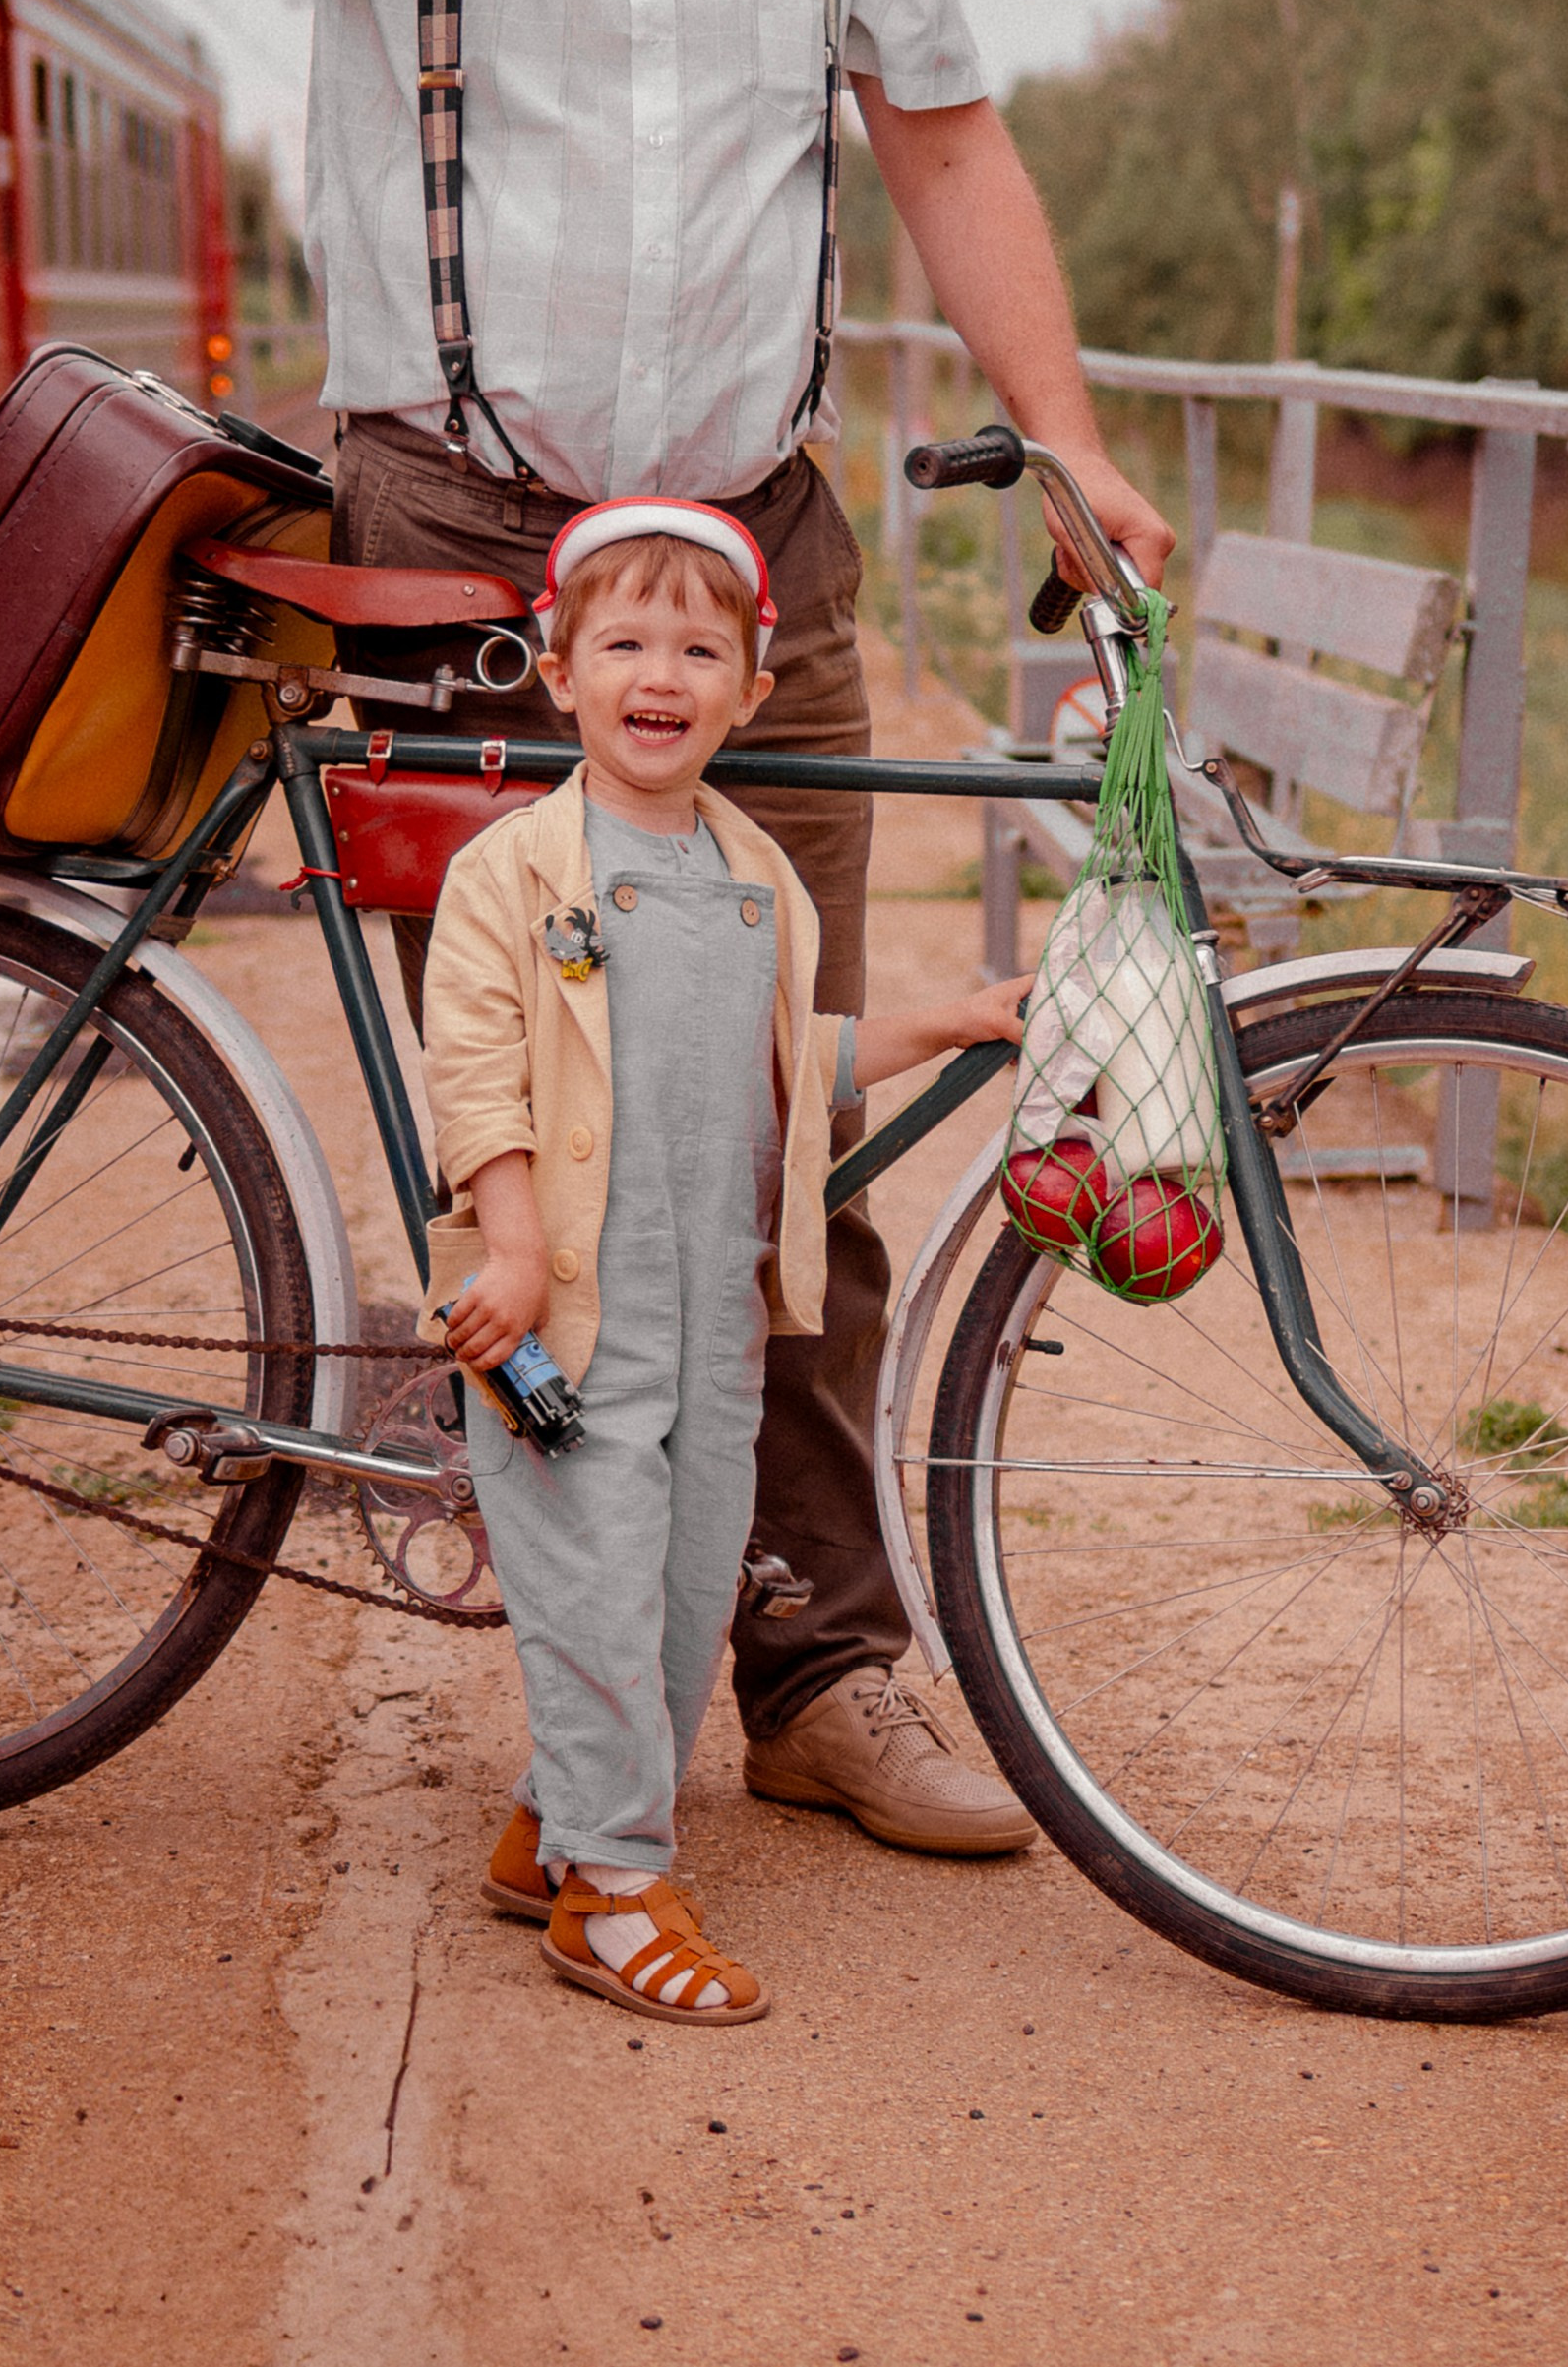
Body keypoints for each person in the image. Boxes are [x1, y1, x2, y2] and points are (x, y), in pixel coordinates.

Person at [150, 0, 1172, 1865]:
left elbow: (945, 141)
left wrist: (1061, 425)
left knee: (781, 1121)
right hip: (463, 557)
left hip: (753, 557)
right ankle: (596, 1701)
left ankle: (820, 1667)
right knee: (547, 1141)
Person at [428, 500, 1030, 2022]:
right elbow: (480, 1080)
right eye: (624, 642)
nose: (660, 674)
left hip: (717, 1318)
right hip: (565, 1317)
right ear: (559, 674)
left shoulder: (757, 872)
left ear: (752, 692)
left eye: (699, 651)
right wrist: (510, 1249)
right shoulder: (513, 871)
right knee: (594, 1588)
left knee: (689, 1588)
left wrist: (948, 1021)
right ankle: (611, 1891)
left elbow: (787, 1066)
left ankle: (547, 1830)